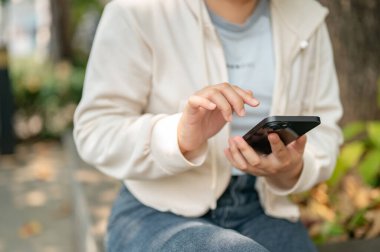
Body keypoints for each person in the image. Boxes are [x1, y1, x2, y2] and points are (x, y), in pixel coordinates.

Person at [74, 0, 343, 251]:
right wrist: (179, 137)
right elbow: (95, 129)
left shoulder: (307, 16)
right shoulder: (136, 11)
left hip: (265, 207)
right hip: (155, 208)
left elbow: (325, 131)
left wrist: (292, 167)